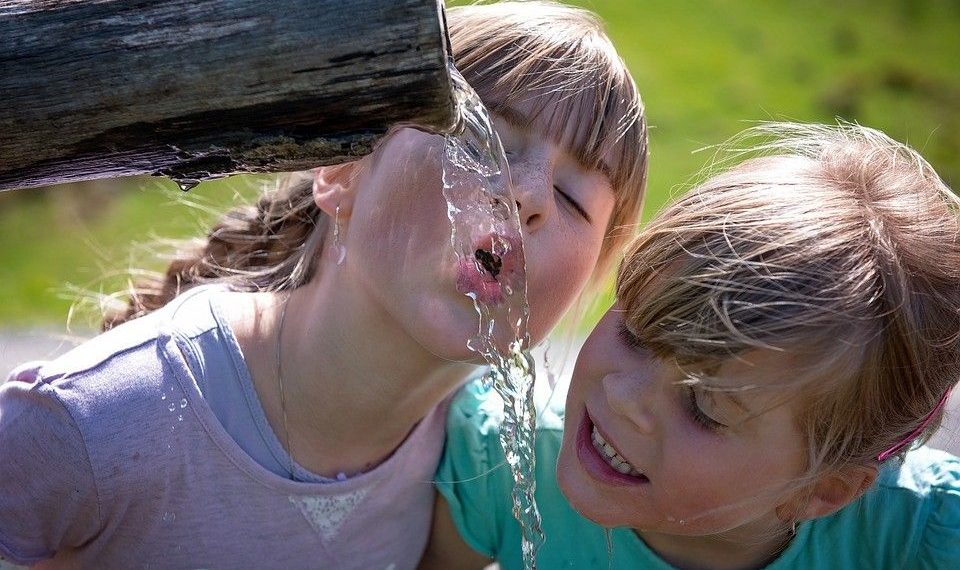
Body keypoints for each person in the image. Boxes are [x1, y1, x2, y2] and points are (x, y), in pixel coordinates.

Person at [0, 2, 647, 568]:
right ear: (341, 170)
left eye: (571, 197)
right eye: (484, 144)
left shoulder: (479, 471)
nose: (527, 195)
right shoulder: (103, 417)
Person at [423, 122, 960, 569]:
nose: (625, 397)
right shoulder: (505, 464)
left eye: (705, 406)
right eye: (635, 333)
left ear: (822, 491)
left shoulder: (917, 541)